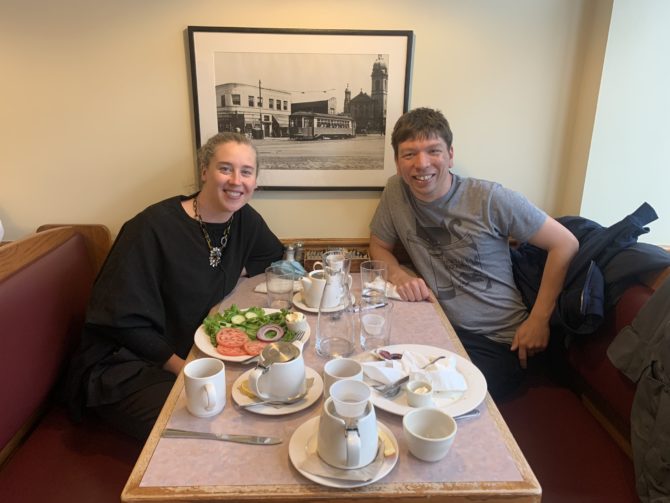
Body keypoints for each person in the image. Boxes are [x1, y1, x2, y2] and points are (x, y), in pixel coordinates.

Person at [65, 132, 284, 440]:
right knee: (214, 421)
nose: (236, 180)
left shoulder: (243, 219)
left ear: (255, 181)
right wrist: (185, 369)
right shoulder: (150, 228)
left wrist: (234, 273)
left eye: (246, 172)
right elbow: (120, 322)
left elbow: (274, 255)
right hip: (127, 367)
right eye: (225, 168)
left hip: (192, 351)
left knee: (260, 400)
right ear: (204, 171)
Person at [369, 108, 579, 399]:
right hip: (441, 330)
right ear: (397, 162)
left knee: (429, 399)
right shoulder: (395, 191)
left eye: (433, 151)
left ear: (450, 155)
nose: (422, 163)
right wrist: (398, 274)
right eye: (409, 154)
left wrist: (538, 320)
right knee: (375, 372)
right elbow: (379, 246)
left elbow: (566, 243)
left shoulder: (489, 198)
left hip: (499, 341)